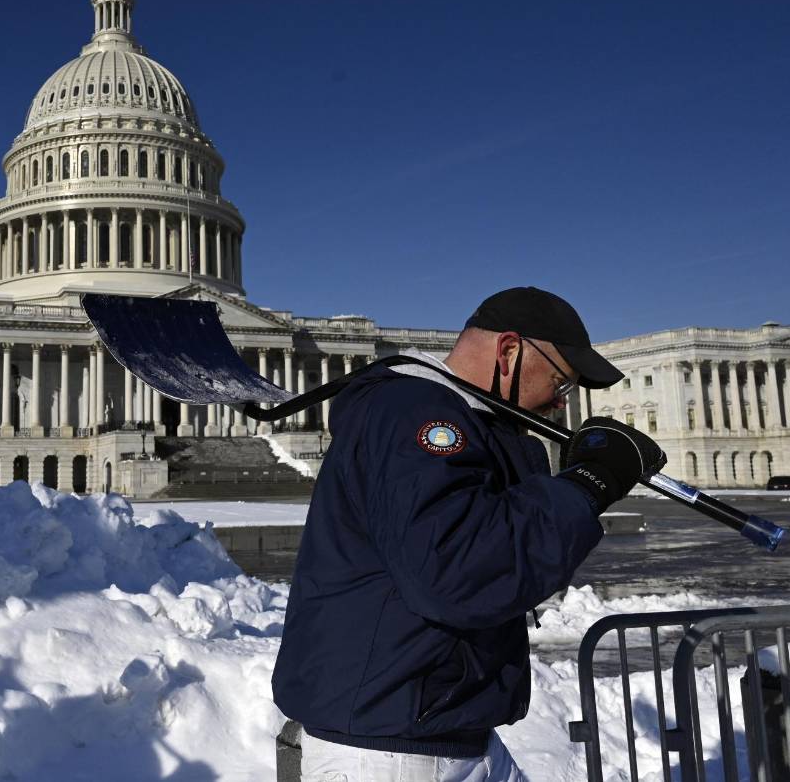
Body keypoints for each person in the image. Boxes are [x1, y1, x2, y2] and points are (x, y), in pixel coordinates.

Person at [272, 286, 666, 782]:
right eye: (560, 384)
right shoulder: (417, 414)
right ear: (509, 351)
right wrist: (586, 486)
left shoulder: (457, 418)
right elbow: (456, 571)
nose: (561, 407)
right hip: (392, 749)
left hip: (437, 724)